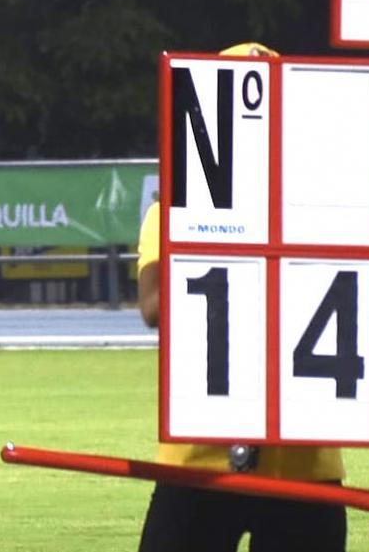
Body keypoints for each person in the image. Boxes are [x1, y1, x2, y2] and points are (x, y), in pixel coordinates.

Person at [135, 42, 347, 552]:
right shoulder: (176, 211)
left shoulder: (330, 212)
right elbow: (156, 308)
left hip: (305, 458)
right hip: (198, 457)